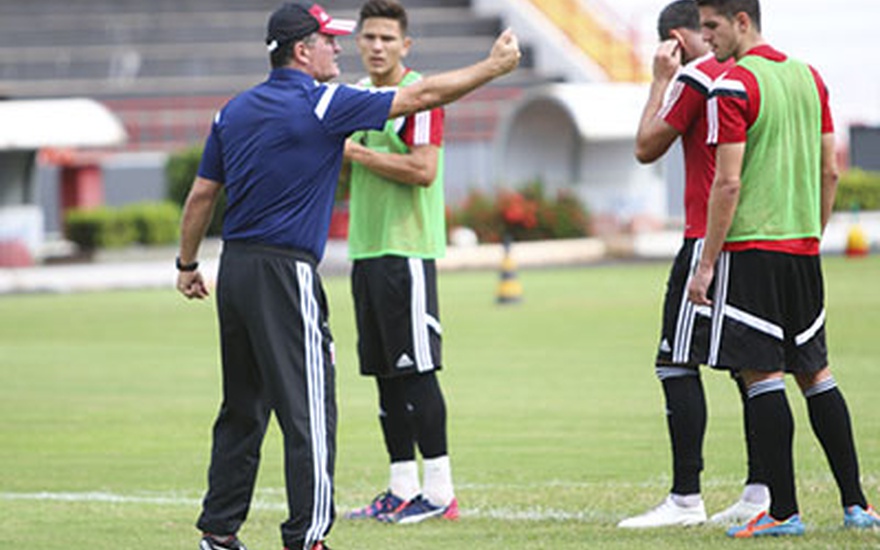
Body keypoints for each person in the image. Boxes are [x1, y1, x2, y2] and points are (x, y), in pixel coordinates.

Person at [175, 2, 520, 548]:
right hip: (286, 273)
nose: (340, 48)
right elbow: (422, 96)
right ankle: (308, 537)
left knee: (242, 409)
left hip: (235, 269)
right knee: (308, 408)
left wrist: (187, 264)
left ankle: (218, 535)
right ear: (301, 50)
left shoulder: (232, 111)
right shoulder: (322, 102)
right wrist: (491, 69)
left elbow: (200, 196)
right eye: (329, 40)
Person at [689, 0, 880, 538]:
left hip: (751, 251)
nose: (706, 39)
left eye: (713, 26)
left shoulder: (730, 86)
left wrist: (705, 264)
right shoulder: (808, 78)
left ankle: (783, 512)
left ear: (742, 21)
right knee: (816, 374)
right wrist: (814, 233)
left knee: (762, 377)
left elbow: (727, 184)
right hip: (803, 252)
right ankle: (856, 506)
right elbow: (830, 169)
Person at [617, 0, 768, 529]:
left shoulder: (698, 76)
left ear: (676, 40)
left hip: (706, 236)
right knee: (755, 369)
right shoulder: (765, 75)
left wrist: (662, 78)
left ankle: (685, 498)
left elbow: (644, 147)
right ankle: (760, 489)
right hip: (760, 239)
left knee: (675, 361)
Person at [340, 0, 457, 525]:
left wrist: (357, 153)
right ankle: (401, 486)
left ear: (405, 45)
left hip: (405, 249)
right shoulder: (357, 98)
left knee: (418, 371)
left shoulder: (418, 96)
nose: (378, 46)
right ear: (357, 43)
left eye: (388, 38)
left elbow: (423, 169)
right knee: (385, 375)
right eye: (369, 37)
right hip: (365, 251)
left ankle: (439, 491)